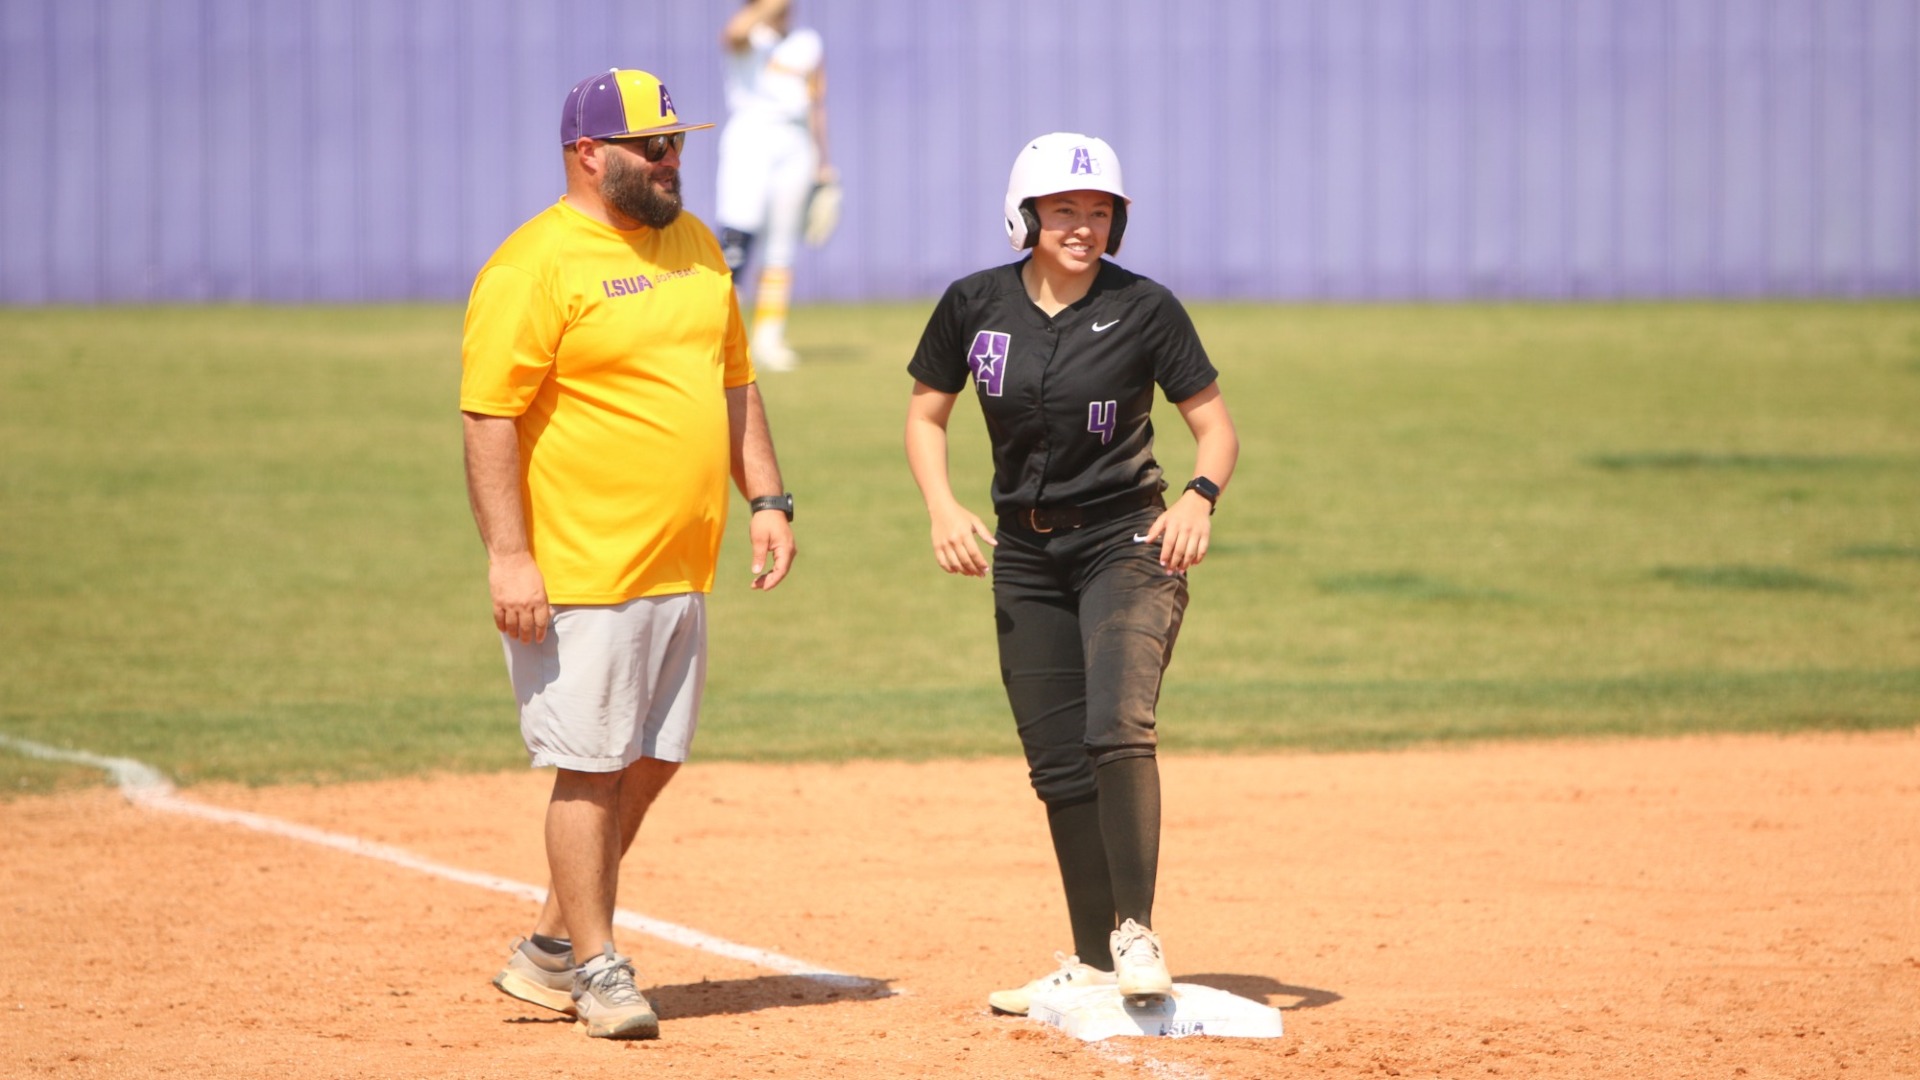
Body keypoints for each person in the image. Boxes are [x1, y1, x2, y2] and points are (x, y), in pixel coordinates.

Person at [460, 67, 798, 1041]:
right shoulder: (534, 265)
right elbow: (488, 418)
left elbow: (733, 381)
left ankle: (549, 949)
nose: (670, 160)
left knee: (649, 759)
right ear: (587, 154)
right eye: (651, 147)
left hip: (679, 562)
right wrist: (509, 557)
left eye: (677, 143)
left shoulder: (695, 245)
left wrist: (767, 497)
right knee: (590, 766)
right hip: (581, 566)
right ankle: (597, 965)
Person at [902, 133, 1240, 1016]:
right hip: (1024, 556)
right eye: (1064, 211)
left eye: (1099, 212)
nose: (1083, 226)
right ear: (1025, 217)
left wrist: (1199, 497)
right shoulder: (973, 303)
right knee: (1056, 760)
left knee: (1116, 724)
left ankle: (1136, 933)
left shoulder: (1145, 308)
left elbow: (1215, 428)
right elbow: (926, 414)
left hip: (1127, 542)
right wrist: (942, 507)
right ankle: (1094, 960)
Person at [715, 0, 832, 372]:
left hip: (796, 141)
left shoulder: (807, 41)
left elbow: (816, 102)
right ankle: (720, 336)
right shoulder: (751, 33)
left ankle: (769, 339)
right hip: (752, 135)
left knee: (781, 246)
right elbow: (733, 34)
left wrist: (823, 162)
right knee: (738, 234)